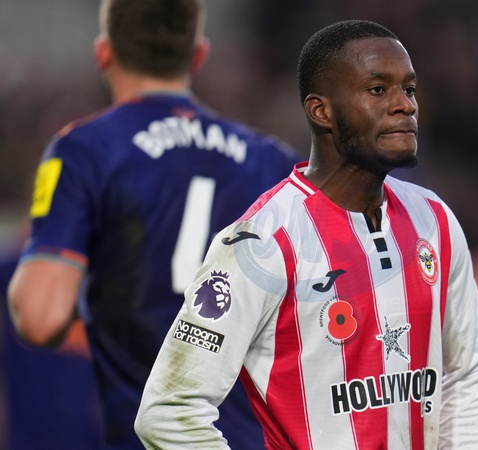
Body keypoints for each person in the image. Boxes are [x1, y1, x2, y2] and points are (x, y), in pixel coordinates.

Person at [135, 19, 478, 449]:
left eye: (410, 89)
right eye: (377, 89)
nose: (405, 105)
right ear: (320, 111)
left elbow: (468, 368)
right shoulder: (262, 242)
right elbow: (169, 409)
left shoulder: (434, 220)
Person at [7, 0, 298, 448]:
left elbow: (41, 317)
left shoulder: (85, 150)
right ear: (197, 55)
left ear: (104, 53)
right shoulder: (273, 161)